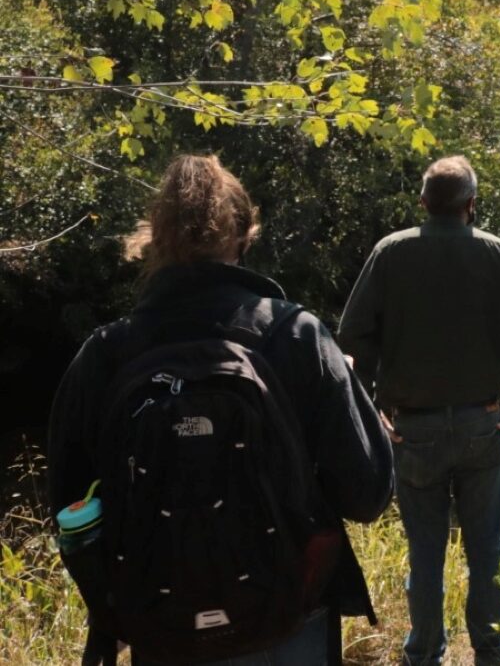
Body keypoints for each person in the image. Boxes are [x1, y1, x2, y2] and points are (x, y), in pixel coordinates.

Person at [47, 153, 392, 666]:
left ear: (155, 240)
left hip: (160, 625)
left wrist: (112, 606)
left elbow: (71, 516)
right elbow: (367, 495)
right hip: (287, 614)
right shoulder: (295, 336)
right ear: (243, 234)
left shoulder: (105, 354)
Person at [338, 155, 500, 666]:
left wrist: (369, 409)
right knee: (486, 549)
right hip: (484, 423)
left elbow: (350, 340)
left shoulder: (389, 253)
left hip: (412, 430)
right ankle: (492, 653)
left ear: (423, 203)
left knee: (426, 551)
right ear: (472, 204)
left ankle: (424, 655)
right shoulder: (498, 254)